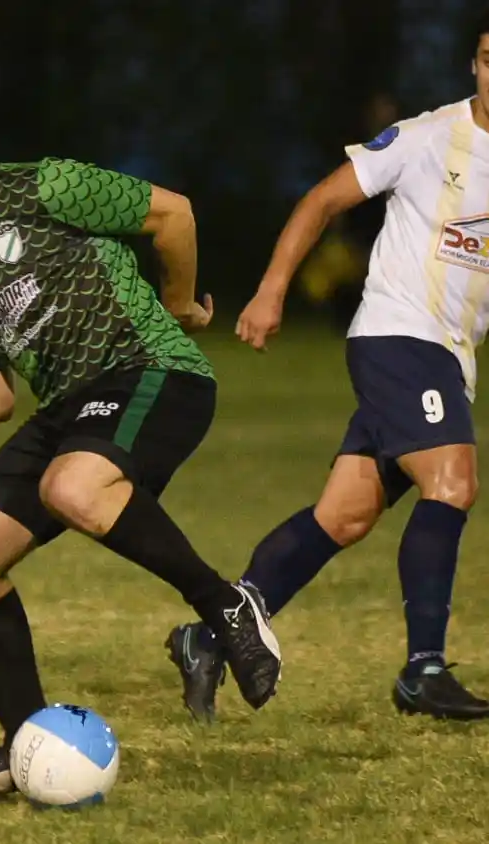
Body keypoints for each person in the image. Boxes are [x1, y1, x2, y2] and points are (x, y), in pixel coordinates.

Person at [0, 95, 283, 803]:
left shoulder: (45, 187)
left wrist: (179, 303)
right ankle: (21, 747)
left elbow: (173, 213)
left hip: (148, 369)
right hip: (67, 408)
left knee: (70, 489)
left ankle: (224, 607)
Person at [165, 12, 489, 724]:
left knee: (341, 517)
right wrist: (273, 290)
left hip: (443, 355)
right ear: (473, 61)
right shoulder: (428, 137)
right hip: (399, 338)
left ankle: (211, 633)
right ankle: (422, 671)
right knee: (452, 483)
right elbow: (321, 199)